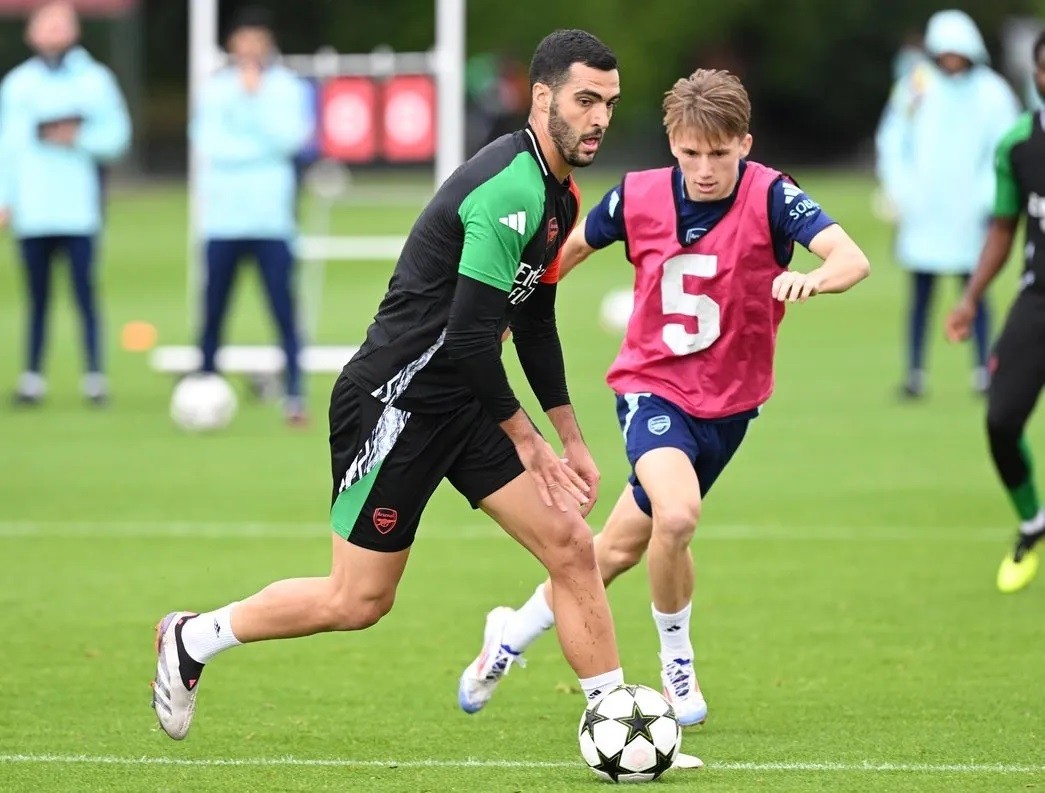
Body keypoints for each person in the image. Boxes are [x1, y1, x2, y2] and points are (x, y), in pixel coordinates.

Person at [153, 29, 626, 741]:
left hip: (465, 400)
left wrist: (569, 437)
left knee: (570, 544)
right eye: (584, 100)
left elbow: (532, 321)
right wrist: (528, 441)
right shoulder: (508, 189)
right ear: (541, 98)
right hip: (394, 405)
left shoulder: (559, 195)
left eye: (609, 105)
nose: (597, 119)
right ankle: (193, 638)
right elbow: (469, 339)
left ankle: (613, 718)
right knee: (357, 599)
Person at [457, 68, 870, 726]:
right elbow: (565, 249)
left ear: (744, 142)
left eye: (719, 152)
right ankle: (676, 665)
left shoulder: (773, 197)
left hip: (731, 405)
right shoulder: (637, 196)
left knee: (615, 550)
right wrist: (508, 307)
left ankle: (508, 634)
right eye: (689, 153)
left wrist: (814, 280)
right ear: (670, 143)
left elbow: (851, 258)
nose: (703, 169)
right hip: (652, 388)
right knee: (676, 517)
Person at [875, 10, 1020, 400]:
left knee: (974, 291)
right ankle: (915, 372)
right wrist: (900, 188)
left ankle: (983, 370)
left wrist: (988, 194)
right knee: (920, 294)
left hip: (968, 211)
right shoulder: (917, 85)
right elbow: (893, 136)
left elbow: (1004, 147)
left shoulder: (992, 92)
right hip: (924, 210)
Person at [946, 32, 1045, 595]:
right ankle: (1034, 522)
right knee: (1001, 419)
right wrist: (970, 298)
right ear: (1036, 77)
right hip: (1038, 300)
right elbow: (1004, 228)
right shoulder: (1017, 145)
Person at [0, 0, 131, 405]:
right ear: (31, 32)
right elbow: (8, 148)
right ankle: (32, 377)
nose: (54, 32)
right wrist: (5, 198)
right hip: (34, 210)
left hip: (78, 208)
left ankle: (94, 377)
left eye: (62, 24)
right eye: (47, 24)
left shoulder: (95, 81)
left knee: (84, 294)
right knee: (36, 296)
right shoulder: (18, 84)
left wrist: (77, 137)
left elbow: (116, 138)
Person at [190, 7, 313, 425]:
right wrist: (258, 143)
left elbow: (292, 138)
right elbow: (209, 143)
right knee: (213, 310)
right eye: (243, 40)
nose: (250, 49)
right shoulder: (214, 89)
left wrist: (253, 103)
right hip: (222, 219)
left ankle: (295, 393)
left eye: (258, 40)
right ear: (231, 45)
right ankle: (203, 385)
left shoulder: (285, 87)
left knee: (283, 309)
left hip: (271, 218)